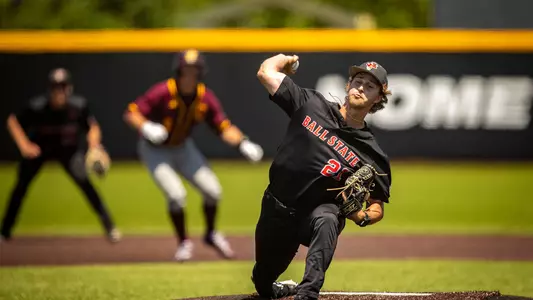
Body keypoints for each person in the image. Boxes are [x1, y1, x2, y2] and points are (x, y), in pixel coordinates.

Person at [251, 55, 393, 300]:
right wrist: (285, 59)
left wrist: (361, 217)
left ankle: (308, 293)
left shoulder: (373, 155)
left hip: (315, 215)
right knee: (263, 281)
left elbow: (376, 206)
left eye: (370, 86)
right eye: (358, 81)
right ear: (348, 85)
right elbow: (265, 73)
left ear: (378, 98)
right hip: (277, 206)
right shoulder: (310, 104)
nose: (361, 87)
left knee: (328, 217)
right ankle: (276, 286)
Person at [124, 49, 264, 262]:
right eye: (186, 70)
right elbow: (131, 113)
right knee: (176, 196)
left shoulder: (204, 96)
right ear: (178, 71)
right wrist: (146, 127)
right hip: (155, 150)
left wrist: (243, 143)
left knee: (213, 191)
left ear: (200, 72)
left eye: (194, 70)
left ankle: (211, 234)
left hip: (182, 147)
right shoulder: (163, 91)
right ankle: (183, 243)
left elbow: (222, 126)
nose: (189, 75)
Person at [0, 68, 121, 243]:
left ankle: (110, 227)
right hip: (40, 150)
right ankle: (4, 231)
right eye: (55, 86)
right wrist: (24, 145)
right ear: (49, 88)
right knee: (20, 188)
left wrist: (94, 146)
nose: (59, 91)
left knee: (86, 185)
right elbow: (13, 121)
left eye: (62, 86)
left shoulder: (78, 106)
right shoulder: (37, 106)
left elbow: (92, 126)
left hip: (68, 151)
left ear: (69, 87)